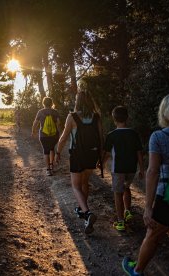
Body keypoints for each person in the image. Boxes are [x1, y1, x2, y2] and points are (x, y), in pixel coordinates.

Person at [122, 92, 169, 276]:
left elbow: (152, 172)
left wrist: (148, 207)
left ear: (166, 111)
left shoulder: (159, 137)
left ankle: (137, 271)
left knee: (153, 235)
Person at [55, 87, 103, 234]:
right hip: (92, 154)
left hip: (77, 155)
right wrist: (100, 157)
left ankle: (87, 213)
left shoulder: (73, 117)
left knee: (75, 186)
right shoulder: (96, 117)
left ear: (77, 101)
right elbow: (101, 138)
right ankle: (83, 209)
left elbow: (63, 137)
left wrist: (57, 151)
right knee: (84, 182)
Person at [101, 106, 144, 232]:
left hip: (118, 169)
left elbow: (107, 153)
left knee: (118, 193)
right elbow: (139, 152)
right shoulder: (134, 133)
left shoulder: (112, 135)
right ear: (127, 118)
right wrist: (141, 169)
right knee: (126, 187)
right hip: (131, 168)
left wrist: (101, 164)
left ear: (114, 119)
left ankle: (120, 222)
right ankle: (127, 211)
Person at [31, 97, 61, 176]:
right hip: (54, 135)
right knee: (52, 149)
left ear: (43, 103)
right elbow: (58, 123)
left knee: (45, 151)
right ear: (51, 103)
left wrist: (33, 131)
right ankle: (52, 166)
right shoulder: (55, 112)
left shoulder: (40, 112)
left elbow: (35, 122)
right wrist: (58, 132)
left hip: (43, 135)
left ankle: (48, 170)